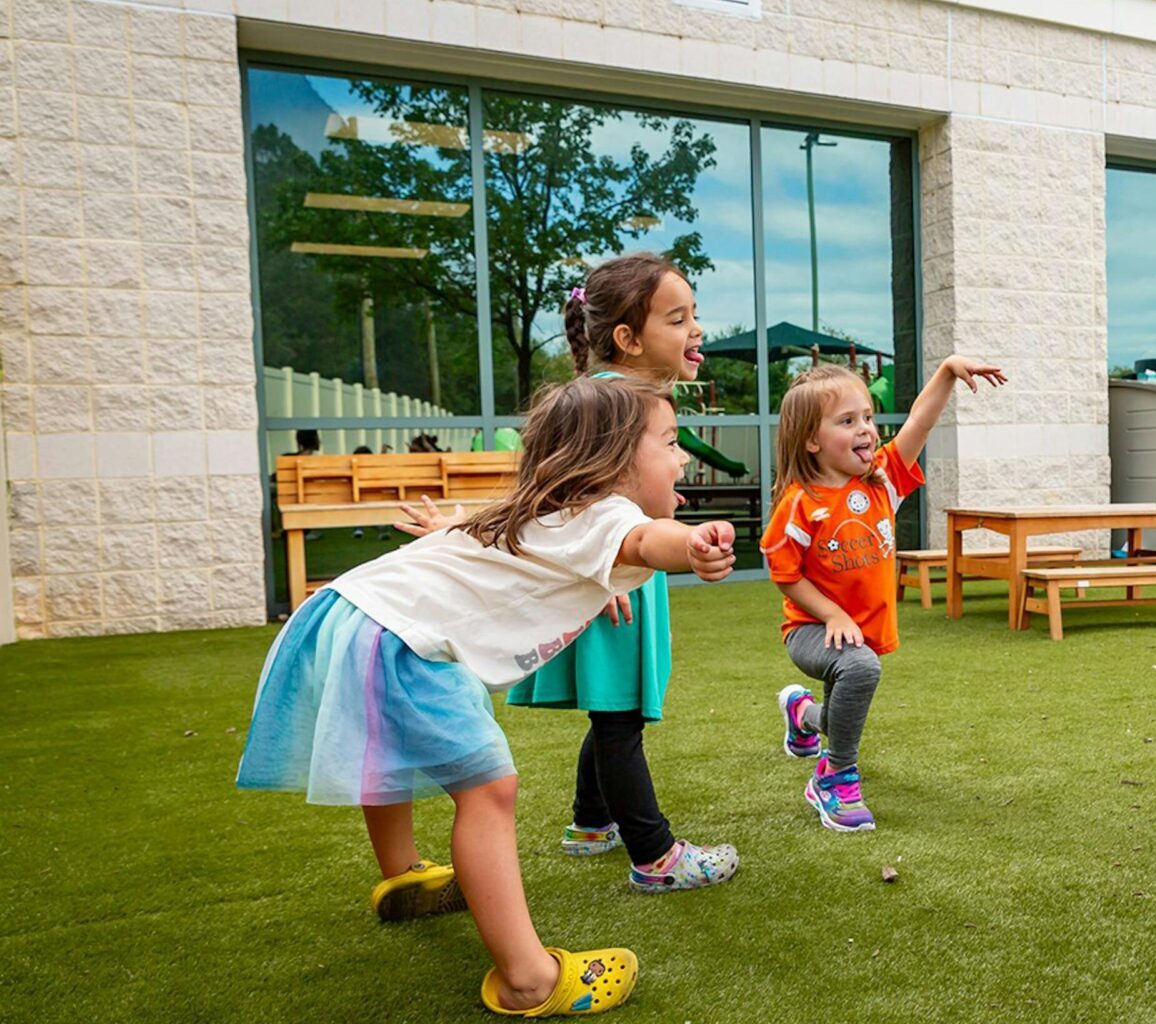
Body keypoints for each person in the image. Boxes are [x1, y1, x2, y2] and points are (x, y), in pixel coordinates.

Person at [238, 375, 735, 1015]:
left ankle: (403, 874)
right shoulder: (607, 512)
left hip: (347, 613)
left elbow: (566, 552)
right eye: (669, 442)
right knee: (489, 788)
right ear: (613, 458)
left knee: (389, 749)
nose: (683, 456)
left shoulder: (542, 512)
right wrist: (692, 546)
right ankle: (527, 979)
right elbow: (643, 539)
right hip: (398, 637)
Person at [401, 253, 738, 893]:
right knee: (619, 714)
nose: (696, 330)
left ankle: (591, 822)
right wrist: (594, 575)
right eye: (678, 318)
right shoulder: (611, 400)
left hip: (619, 565)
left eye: (695, 315)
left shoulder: (627, 393)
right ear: (628, 337)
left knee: (615, 710)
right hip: (610, 571)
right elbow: (552, 490)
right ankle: (655, 855)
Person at [764, 356, 1006, 831]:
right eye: (848, 421)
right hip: (812, 629)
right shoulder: (801, 503)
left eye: (869, 419)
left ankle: (801, 713)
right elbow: (784, 573)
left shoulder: (882, 480)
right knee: (860, 668)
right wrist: (832, 615)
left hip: (861, 631)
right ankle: (834, 778)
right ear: (812, 440)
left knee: (843, 713)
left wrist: (948, 371)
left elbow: (920, 420)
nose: (866, 431)